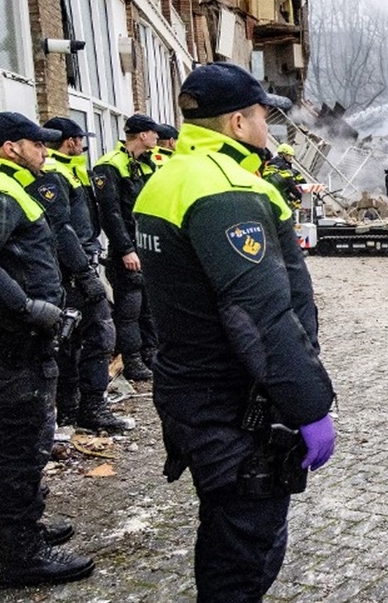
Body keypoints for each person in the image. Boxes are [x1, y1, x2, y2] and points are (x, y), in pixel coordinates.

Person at [132, 62, 336, 601]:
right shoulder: (227, 190)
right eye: (263, 117)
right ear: (239, 123)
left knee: (228, 532)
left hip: (193, 389)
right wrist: (310, 407)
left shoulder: (168, 178)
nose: (268, 128)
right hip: (235, 407)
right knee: (243, 554)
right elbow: (261, 320)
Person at [0, 111, 97, 588]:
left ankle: (12, 534)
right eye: (37, 143)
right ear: (11, 147)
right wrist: (28, 306)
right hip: (16, 342)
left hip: (18, 340)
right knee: (21, 444)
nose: (45, 151)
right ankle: (20, 555)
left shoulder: (11, 184)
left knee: (8, 441)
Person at [37, 117, 129, 432]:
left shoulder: (68, 171)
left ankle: (73, 408)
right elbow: (62, 230)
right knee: (96, 336)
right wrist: (84, 273)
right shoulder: (54, 175)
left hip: (79, 265)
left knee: (76, 339)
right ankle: (89, 407)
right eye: (80, 140)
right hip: (72, 271)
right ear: (71, 142)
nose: (83, 145)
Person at [92, 114, 160, 382]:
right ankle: (131, 360)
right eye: (153, 133)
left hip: (146, 244)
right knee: (130, 307)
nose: (157, 137)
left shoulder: (146, 164)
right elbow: (111, 214)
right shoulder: (110, 165)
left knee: (149, 307)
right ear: (142, 135)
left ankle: (150, 353)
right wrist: (125, 249)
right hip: (128, 249)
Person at [263, 143, 308, 210]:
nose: (291, 159)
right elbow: (290, 183)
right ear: (284, 155)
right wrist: (300, 196)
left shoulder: (272, 164)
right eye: (289, 156)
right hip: (278, 197)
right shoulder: (282, 166)